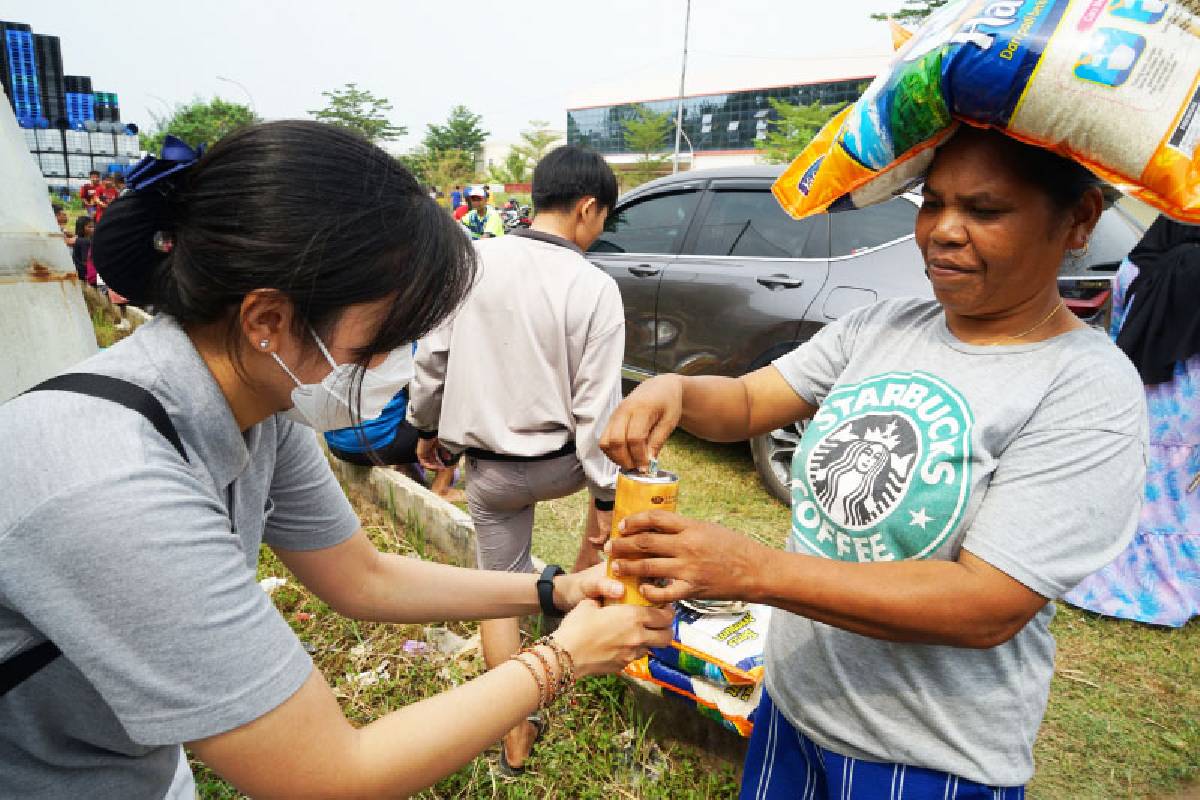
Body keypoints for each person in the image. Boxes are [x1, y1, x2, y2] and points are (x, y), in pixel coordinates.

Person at [0, 122, 672, 800]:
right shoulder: (113, 486)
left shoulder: (261, 411)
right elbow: (326, 777)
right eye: (385, 336)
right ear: (268, 319)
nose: (394, 364)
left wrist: (550, 591)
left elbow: (363, 576)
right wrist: (562, 657)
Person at [600, 126, 1148, 798]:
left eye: (983, 211)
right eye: (932, 203)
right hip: (794, 709)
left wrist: (754, 570)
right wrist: (676, 390)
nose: (942, 231)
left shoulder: (1086, 386)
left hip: (922, 756)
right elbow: (747, 402)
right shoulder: (885, 326)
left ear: (1079, 220)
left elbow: (987, 604)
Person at [410, 144, 624, 774]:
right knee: (609, 502)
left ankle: (514, 731)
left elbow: (432, 363)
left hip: (492, 472)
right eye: (604, 218)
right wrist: (605, 501)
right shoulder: (595, 286)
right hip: (564, 465)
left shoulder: (471, 260)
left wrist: (425, 429)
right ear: (587, 207)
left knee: (499, 590)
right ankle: (581, 596)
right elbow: (599, 411)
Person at [1065, 216, 1200, 626]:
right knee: (1184, 502)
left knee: (1140, 495)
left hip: (1140, 397)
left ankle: (1118, 584)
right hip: (1190, 403)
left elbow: (1119, 319)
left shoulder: (1139, 263)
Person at [324, 347, 464, 502]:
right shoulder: (413, 340)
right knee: (459, 415)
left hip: (335, 443)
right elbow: (426, 395)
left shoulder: (347, 336)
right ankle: (441, 489)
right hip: (371, 447)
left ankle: (407, 468)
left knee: (395, 404)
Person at [71, 216, 93, 282]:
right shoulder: (85, 241)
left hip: (80, 272)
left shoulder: (78, 239)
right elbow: (85, 262)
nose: (93, 229)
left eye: (93, 226)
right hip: (86, 274)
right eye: (90, 227)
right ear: (81, 228)